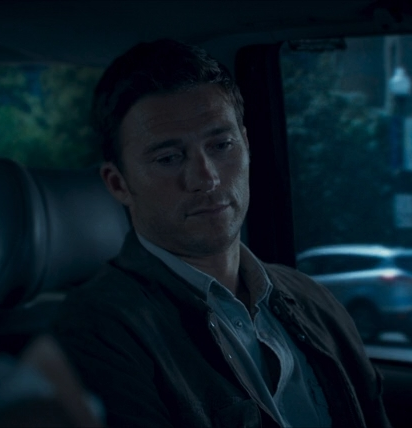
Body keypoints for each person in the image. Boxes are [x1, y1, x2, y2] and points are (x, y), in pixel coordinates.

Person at [52, 39, 390, 427]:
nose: (207, 177)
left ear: (246, 144)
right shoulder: (97, 331)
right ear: (118, 184)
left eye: (221, 145)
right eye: (168, 158)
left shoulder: (312, 299)